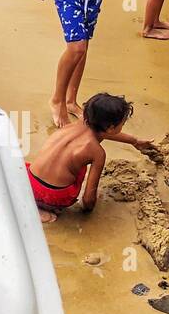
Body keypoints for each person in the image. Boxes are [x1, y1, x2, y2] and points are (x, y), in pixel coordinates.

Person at [26, 94, 153, 224]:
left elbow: (100, 133)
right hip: (54, 197)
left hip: (27, 183)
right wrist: (88, 209)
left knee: (48, 162)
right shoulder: (97, 152)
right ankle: (43, 208)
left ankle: (30, 203)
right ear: (111, 128)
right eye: (122, 123)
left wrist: (134, 141)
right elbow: (88, 199)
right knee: (80, 167)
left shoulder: (72, 125)